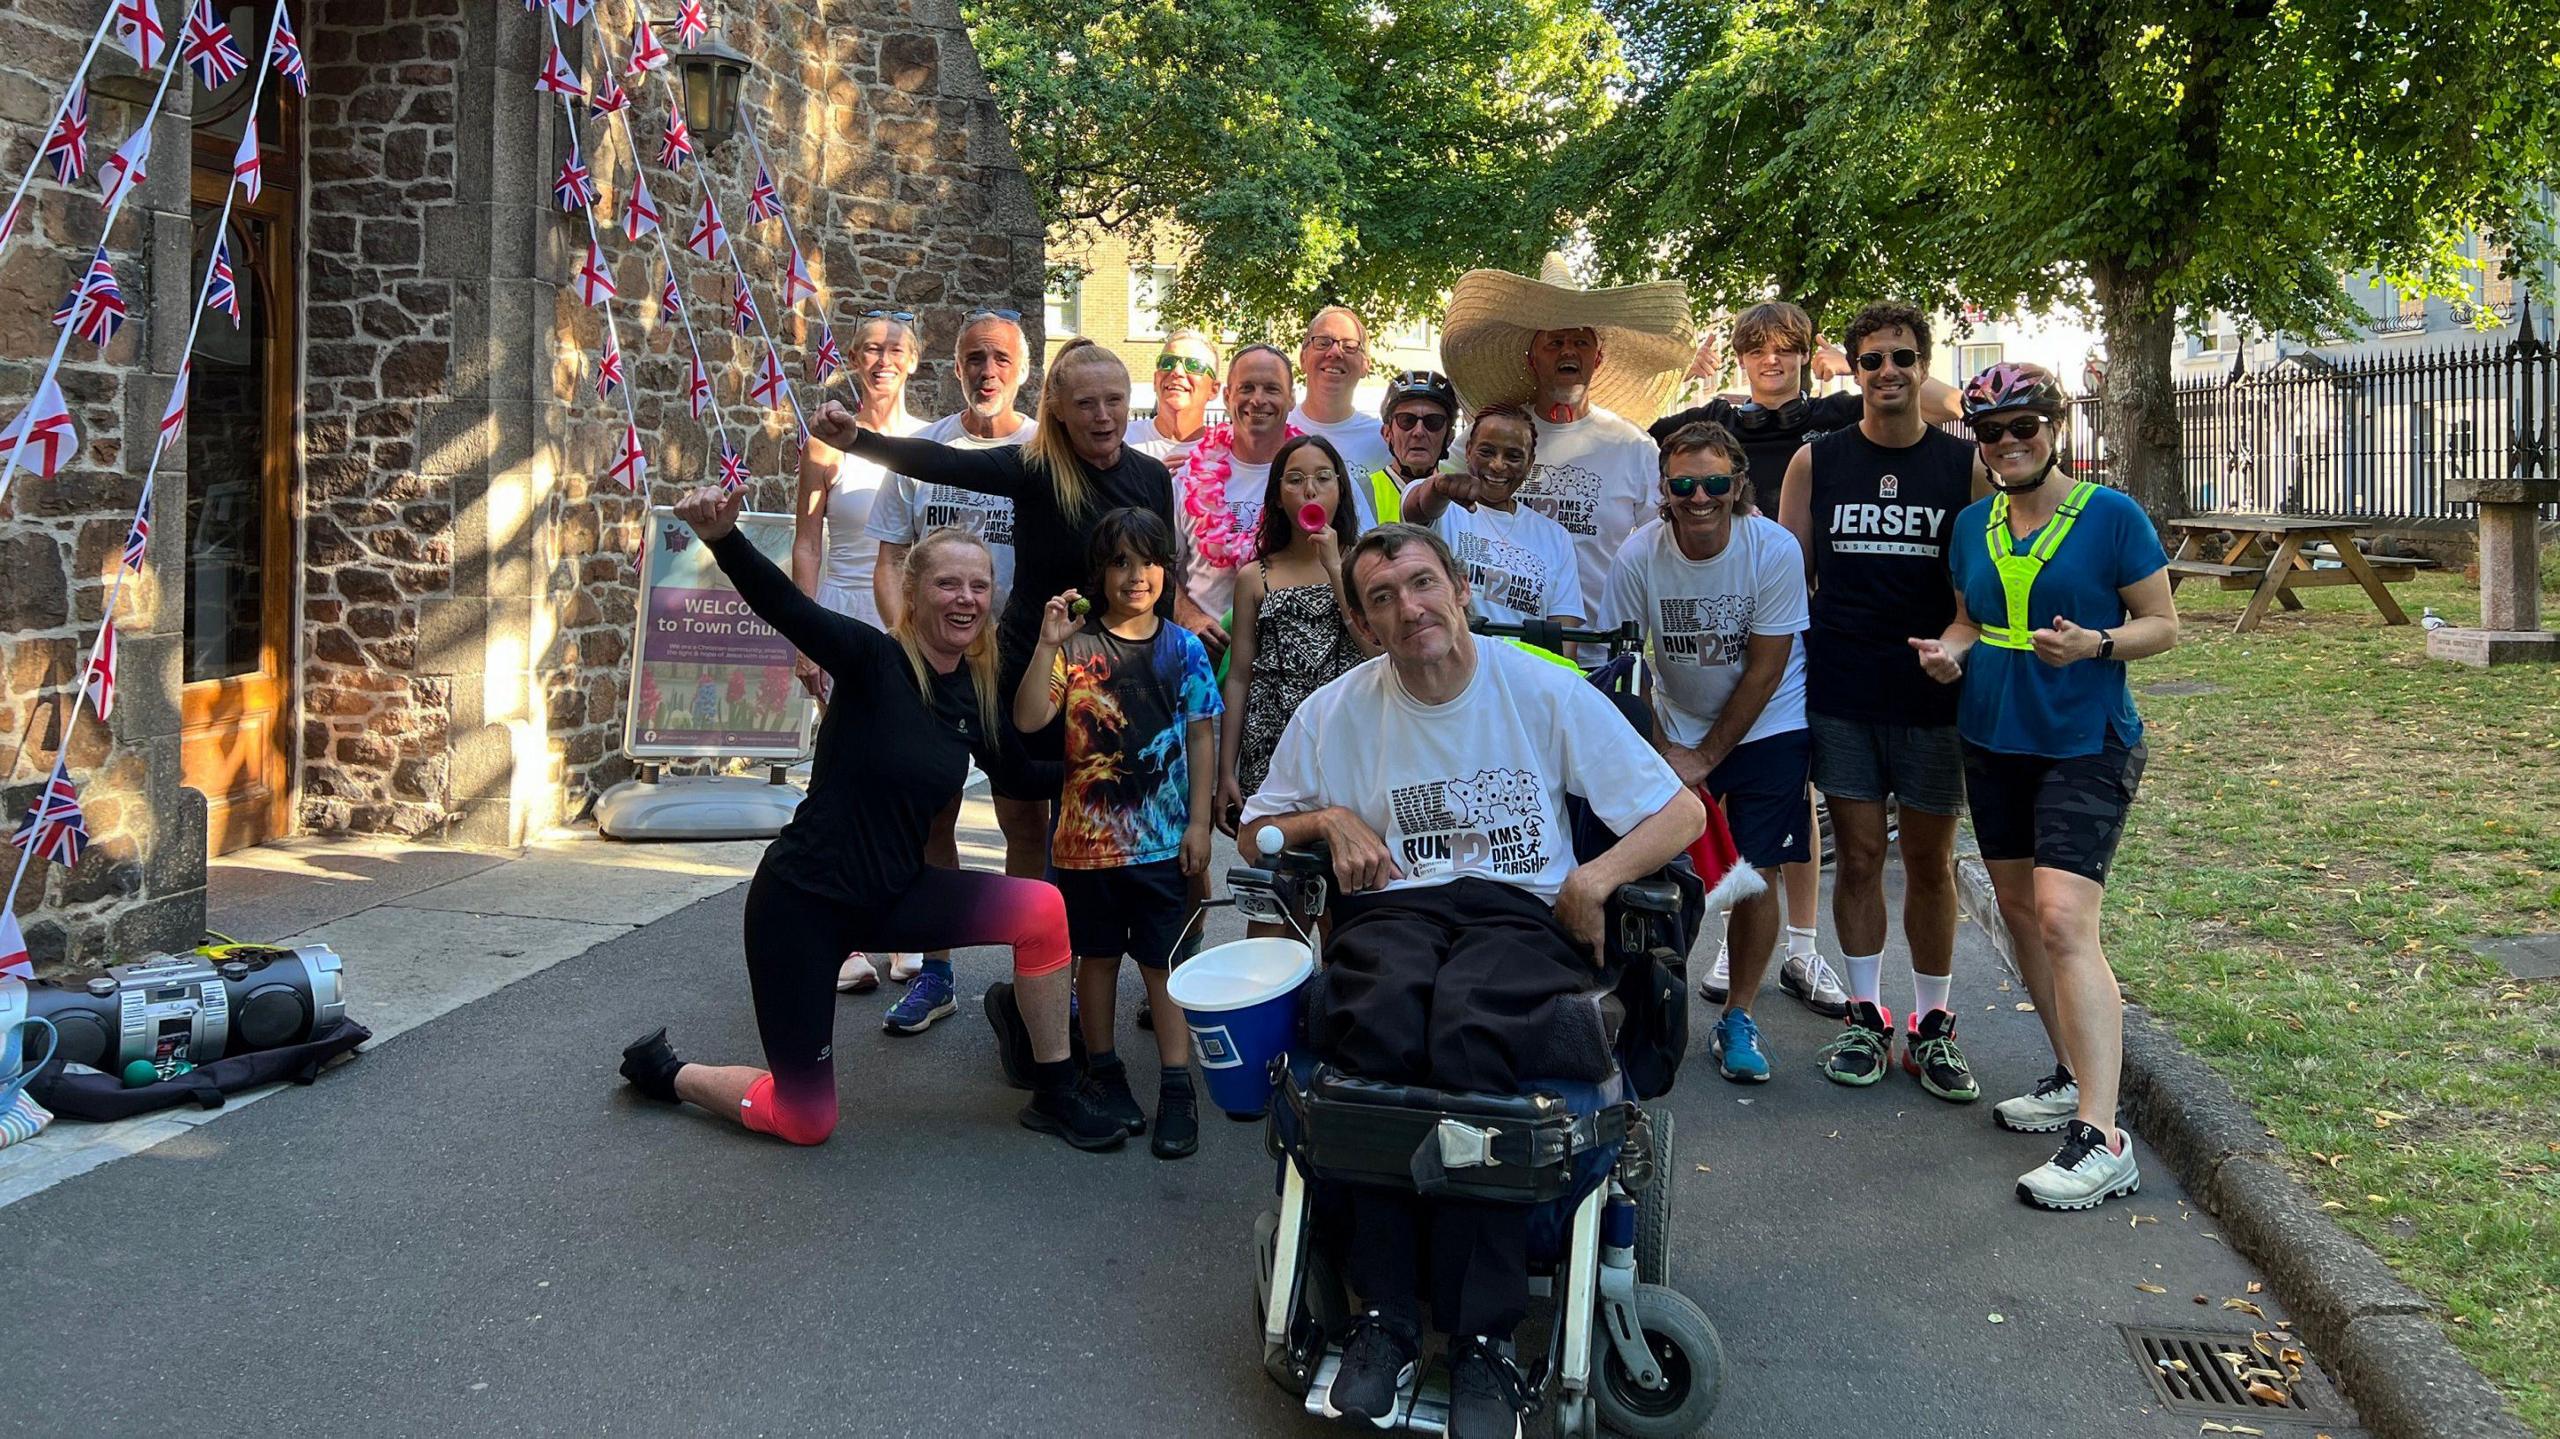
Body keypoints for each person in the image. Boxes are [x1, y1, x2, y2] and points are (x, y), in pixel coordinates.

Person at [1240, 524, 1705, 1439]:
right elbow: (1259, 827)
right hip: (1396, 913)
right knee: (1370, 1023)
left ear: (1459, 588)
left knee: (1472, 1033)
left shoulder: (1540, 686)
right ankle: (1388, 1316)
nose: (1409, 609)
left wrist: (1595, 878)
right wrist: (1329, 817)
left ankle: (1485, 1334)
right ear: (1364, 621)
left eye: (1422, 584)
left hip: (1519, 913)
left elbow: (1681, 811)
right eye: (1382, 597)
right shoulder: (1336, 710)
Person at [616, 496, 1126, 1152]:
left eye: (978, 585)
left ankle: (1054, 1092)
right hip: (803, 904)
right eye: (947, 583)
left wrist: (1110, 767)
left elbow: (1023, 774)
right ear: (912, 592)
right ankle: (673, 1071)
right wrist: (724, 537)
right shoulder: (870, 659)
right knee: (805, 1119)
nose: (965, 598)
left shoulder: (970, 692)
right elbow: (786, 607)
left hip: (897, 895)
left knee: (1041, 908)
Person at [1914, 362, 2177, 1210]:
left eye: (2024, 426)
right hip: (1993, 736)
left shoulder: (2111, 516)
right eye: (1991, 432)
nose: (2008, 443)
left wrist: (2097, 643)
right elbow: (1968, 618)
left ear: (2054, 428)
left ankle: (2103, 1139)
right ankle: (2071, 1073)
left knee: (2066, 919)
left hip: (2084, 741)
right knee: (2022, 911)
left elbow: (2162, 624)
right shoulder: (1971, 524)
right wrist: (1949, 653)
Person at [1777, 304, 1987, 1102]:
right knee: (1859, 854)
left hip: (1933, 692)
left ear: (1923, 364)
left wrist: (1957, 646)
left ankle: (1932, 1024)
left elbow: (1977, 589)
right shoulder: (1816, 462)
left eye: (1904, 357)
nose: (1889, 371)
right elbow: (1786, 577)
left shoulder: (1962, 466)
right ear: (1853, 370)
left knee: (1930, 861)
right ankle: (1866, 1016)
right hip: (1843, 686)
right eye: (1873, 360)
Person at [1012, 509, 1222, 1160]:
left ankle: (1177, 1087)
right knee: (1096, 961)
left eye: (1149, 561)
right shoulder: (1074, 647)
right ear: (1099, 574)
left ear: (1168, 570)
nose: (1136, 575)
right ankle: (1104, 1070)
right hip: (1083, 847)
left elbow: (1202, 733)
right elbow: (1028, 719)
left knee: (1163, 966)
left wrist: (1198, 822)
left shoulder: (1182, 647)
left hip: (1162, 846)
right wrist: (1047, 642)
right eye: (1121, 562)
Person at [1608, 421, 1812, 1083]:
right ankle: (1642, 1004)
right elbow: (1624, 660)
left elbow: (1766, 667)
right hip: (1675, 721)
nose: (1701, 497)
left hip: (1765, 720)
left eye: (1716, 483)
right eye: (1685, 484)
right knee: (1655, 869)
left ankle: (1739, 1015)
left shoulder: (1772, 548)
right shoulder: (1639, 555)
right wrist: (1667, 746)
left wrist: (1708, 754)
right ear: (1663, 489)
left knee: (1755, 870)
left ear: (1739, 485)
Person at [858, 308, 1035, 1013]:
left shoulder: (1040, 452)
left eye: (999, 358)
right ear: (954, 366)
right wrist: (908, 647)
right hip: (934, 668)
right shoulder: (922, 448)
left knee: (1026, 821)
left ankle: (1036, 975)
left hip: (1016, 667)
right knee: (934, 820)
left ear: (1022, 370)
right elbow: (890, 557)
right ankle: (937, 973)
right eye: (973, 357)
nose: (986, 371)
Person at [1439, 254, 1694, 634]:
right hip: (1494, 644)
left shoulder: (1634, 447)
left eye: (1580, 341)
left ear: (1599, 358)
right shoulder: (1487, 440)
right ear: (1532, 358)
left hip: (1600, 643)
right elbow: (1437, 511)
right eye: (1554, 342)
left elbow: (1661, 543)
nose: (1568, 351)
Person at [791, 310, 926, 1001]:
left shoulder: (927, 440)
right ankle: (838, 932)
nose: (881, 360)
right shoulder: (826, 440)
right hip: (842, 612)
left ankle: (902, 926)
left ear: (913, 358)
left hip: (904, 619)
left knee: (900, 775)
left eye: (894, 349)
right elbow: (808, 540)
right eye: (870, 348)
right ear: (852, 355)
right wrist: (804, 632)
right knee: (842, 775)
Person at [1214, 434, 1371, 838]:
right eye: (1295, 480)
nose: (1310, 490)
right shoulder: (1255, 576)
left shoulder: (1364, 566)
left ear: (1340, 489)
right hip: (1270, 742)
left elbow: (1375, 652)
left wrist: (1337, 571)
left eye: (1323, 478)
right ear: (1278, 497)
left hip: (1349, 734)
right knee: (1280, 864)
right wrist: (1225, 769)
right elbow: (1238, 676)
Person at [1400, 404, 1586, 631]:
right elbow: (1419, 506)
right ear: (1468, 451)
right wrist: (1438, 489)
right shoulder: (1444, 507)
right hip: (1451, 663)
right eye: (1486, 452)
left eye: (1513, 456)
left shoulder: (1555, 537)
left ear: (1530, 462)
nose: (1497, 465)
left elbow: (1564, 637)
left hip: (1522, 666)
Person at [1285, 304, 1395, 485]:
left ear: (1365, 365)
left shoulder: (1385, 442)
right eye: (1322, 342)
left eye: (1349, 346)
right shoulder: (1276, 432)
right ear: (1303, 359)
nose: (1335, 352)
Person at [1364, 368, 1462, 524]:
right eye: (1407, 420)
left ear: (1449, 437)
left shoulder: (1461, 500)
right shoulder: (1360, 493)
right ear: (1387, 433)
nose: (1419, 432)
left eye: (1433, 422)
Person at [1128, 328, 1222, 467]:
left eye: (1194, 365)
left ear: (1214, 389)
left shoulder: (1228, 453)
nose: (1176, 372)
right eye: (1167, 362)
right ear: (1155, 380)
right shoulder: (1122, 441)